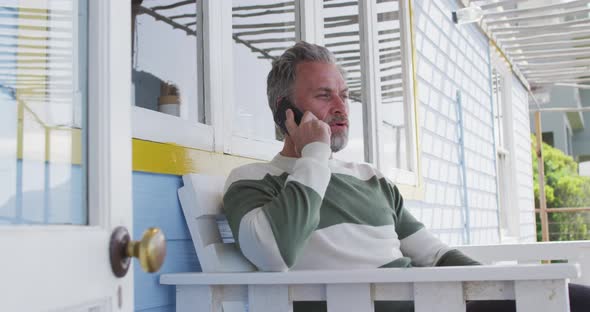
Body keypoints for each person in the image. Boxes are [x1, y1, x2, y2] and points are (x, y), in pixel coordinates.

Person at [222, 41, 590, 312]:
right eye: (324, 96)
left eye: (345, 96)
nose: (341, 108)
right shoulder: (253, 181)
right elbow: (274, 253)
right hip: (395, 305)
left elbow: (433, 253)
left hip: (438, 300)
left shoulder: (370, 178)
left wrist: (506, 286)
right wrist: (315, 152)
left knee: (572, 297)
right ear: (285, 110)